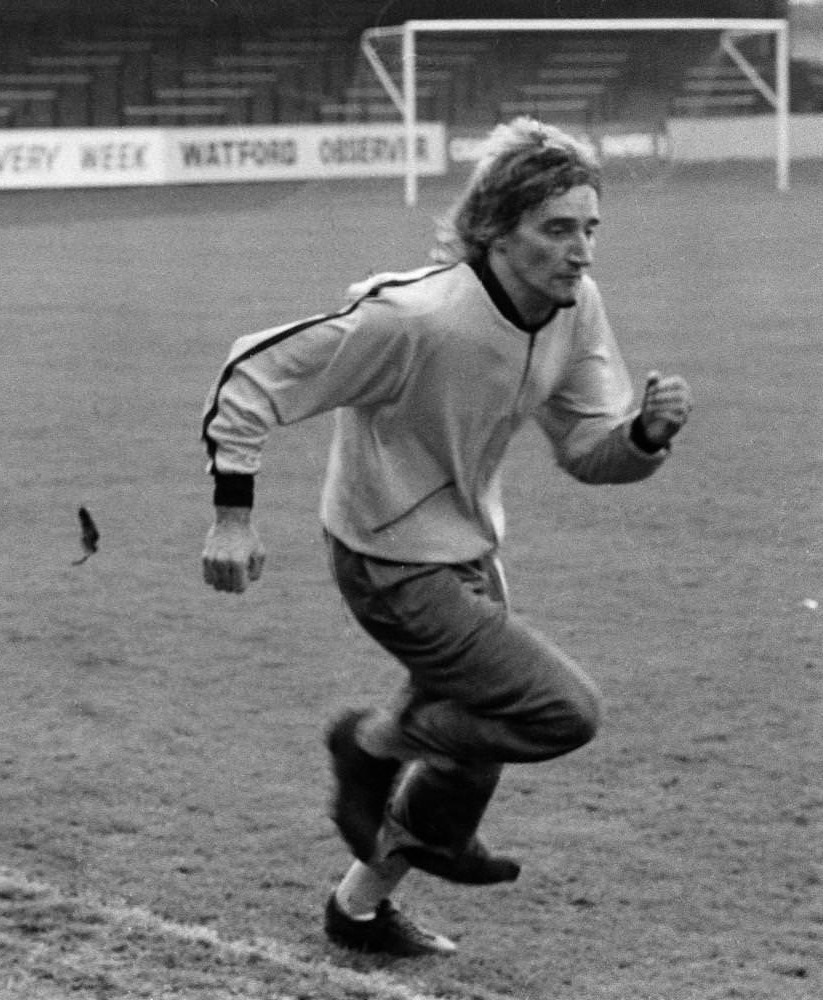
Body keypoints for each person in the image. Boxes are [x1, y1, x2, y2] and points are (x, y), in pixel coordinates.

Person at [199, 118, 692, 957]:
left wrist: (642, 436)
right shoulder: (418, 318)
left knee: (473, 746)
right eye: (556, 229)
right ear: (497, 229)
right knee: (559, 712)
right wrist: (234, 516)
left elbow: (583, 449)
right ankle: (369, 744)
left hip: (465, 552)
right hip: (387, 559)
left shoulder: (574, 308)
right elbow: (253, 372)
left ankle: (357, 908)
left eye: (589, 228)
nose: (581, 251)